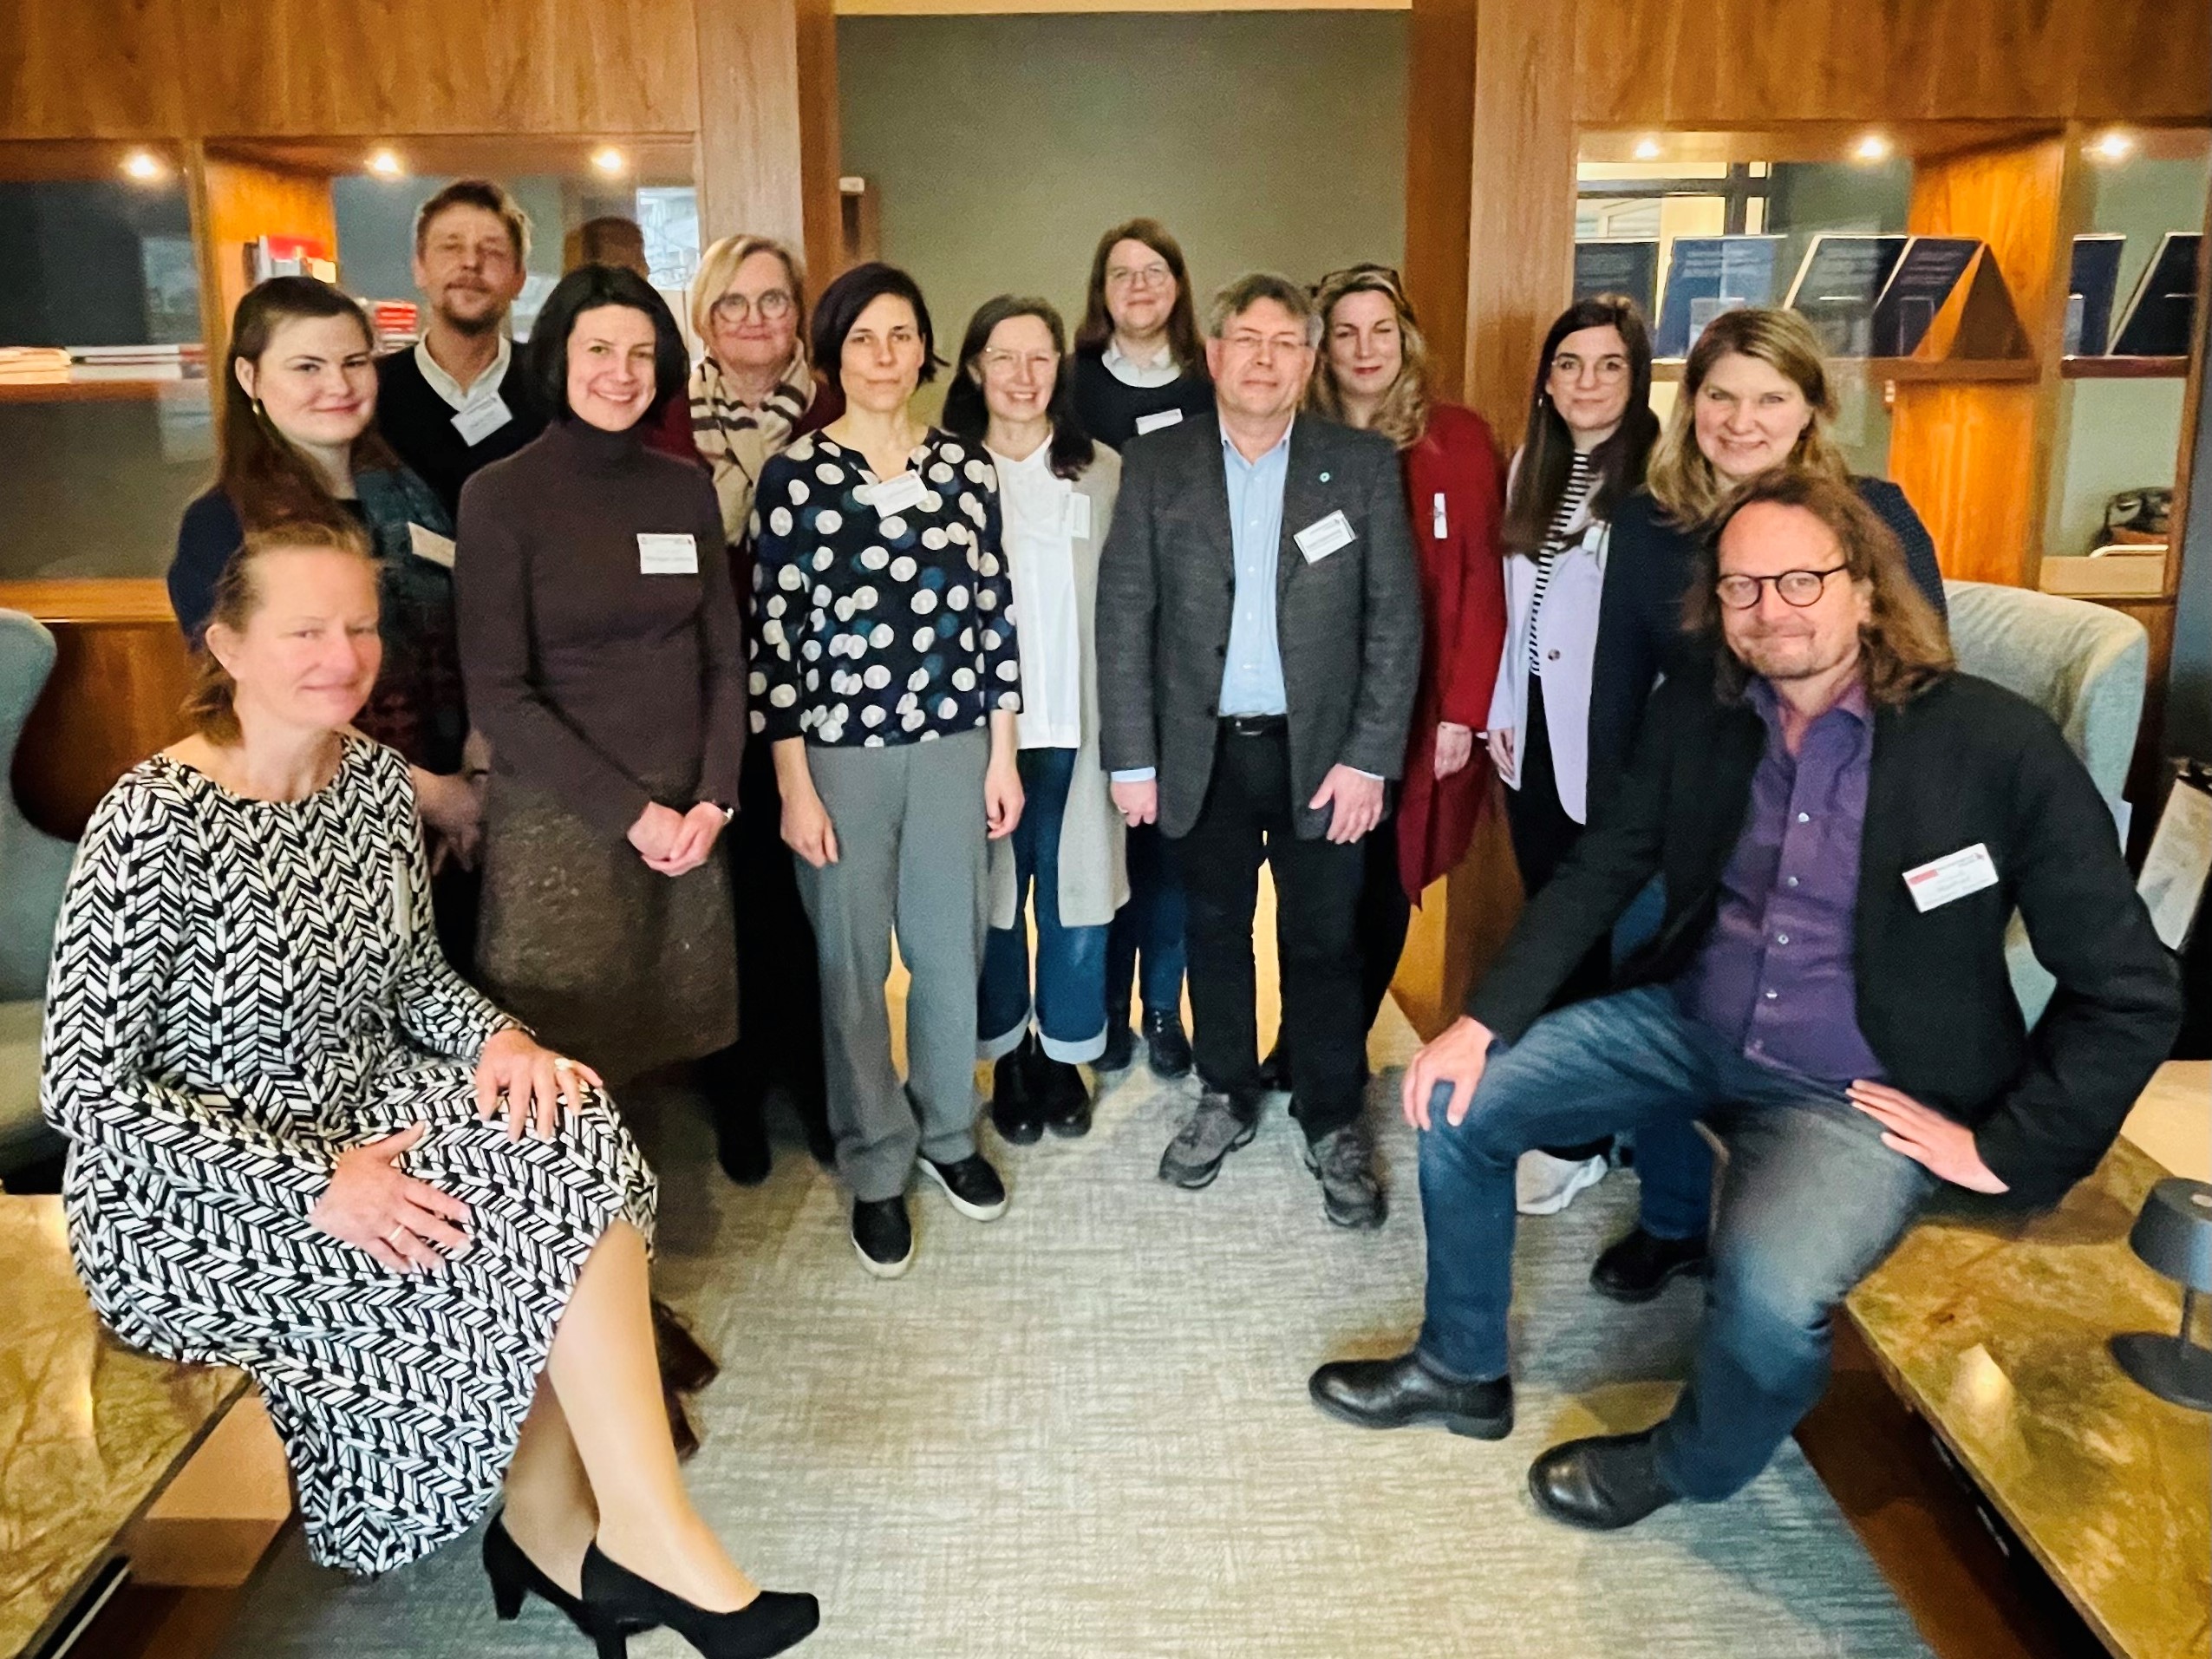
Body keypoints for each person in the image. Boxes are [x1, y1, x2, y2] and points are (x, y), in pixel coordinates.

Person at [1309, 469, 2181, 1531]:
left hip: (1855, 1091)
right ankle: (1460, 1366)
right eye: (1740, 587)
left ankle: (1696, 1462)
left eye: (1800, 579)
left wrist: (2007, 1147)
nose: (1770, 608)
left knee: (1769, 1299)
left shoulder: (1992, 746)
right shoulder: (1704, 714)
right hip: (1688, 1023)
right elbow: (1602, 868)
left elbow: (2131, 989)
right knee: (1454, 1103)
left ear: (1865, 587)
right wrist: (1480, 1024)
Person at [43, 519, 817, 1654]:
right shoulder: (151, 817)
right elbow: (85, 1090)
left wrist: (502, 1042)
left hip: (366, 1104)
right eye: (304, 628)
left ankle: (610, 1527)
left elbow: (412, 979)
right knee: (488, 1238)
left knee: (573, 1130)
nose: (341, 653)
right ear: (228, 643)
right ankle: (571, 1530)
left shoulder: (366, 781)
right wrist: (313, 1184)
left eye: (358, 625)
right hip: (193, 1193)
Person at [1589, 304, 1955, 1304]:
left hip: (1831, 832)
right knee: (1652, 988)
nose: (1740, 420)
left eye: (1768, 398)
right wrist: (1610, 841)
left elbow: (1925, 688)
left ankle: (1780, 1215)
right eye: (1719, 396)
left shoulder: (1874, 515)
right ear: (1690, 403)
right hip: (1685, 834)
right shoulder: (1649, 523)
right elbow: (1615, 692)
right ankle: (1670, 1215)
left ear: (1808, 411)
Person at [1097, 272, 1421, 1230]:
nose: (1265, 357)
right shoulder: (1159, 465)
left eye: (1287, 342)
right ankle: (1225, 1090)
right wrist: (1131, 757)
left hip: (1323, 752)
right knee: (1214, 928)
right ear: (1215, 352)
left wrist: (1370, 758)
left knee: (1324, 938)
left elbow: (1393, 619)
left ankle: (1330, 1113)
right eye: (1248, 338)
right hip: (1204, 749)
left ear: (1309, 361)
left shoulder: (1357, 463)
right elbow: (1126, 615)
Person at [747, 262, 1024, 1279]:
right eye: (862, 337)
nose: (883, 355)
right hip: (835, 755)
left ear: (924, 350)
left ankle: (950, 1133)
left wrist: (1002, 753)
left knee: (950, 952)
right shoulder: (796, 475)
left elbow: (995, 618)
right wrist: (792, 784)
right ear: (832, 354)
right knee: (852, 967)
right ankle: (875, 1164)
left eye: (901, 335)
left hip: (956, 746)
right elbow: (772, 639)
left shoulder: (965, 466)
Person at [455, 265, 746, 1106]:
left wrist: (715, 797)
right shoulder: (500, 496)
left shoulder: (685, 487)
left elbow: (725, 657)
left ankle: (639, 1197)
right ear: (558, 356)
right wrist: (633, 814)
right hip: (562, 815)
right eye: (599, 349)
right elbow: (499, 693)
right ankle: (586, 1225)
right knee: (565, 1049)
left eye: (641, 352)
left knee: (665, 1020)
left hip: (686, 809)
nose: (621, 371)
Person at [167, 275, 481, 964]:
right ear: (249, 376)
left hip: (452, 819)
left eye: (353, 361)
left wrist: (472, 780)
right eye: (306, 366)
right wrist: (428, 796)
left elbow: (474, 637)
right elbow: (252, 701)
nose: (336, 384)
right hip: (313, 825)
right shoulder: (222, 524)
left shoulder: (414, 492)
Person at [1290, 262, 1504, 1073]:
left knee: (1384, 877)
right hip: (1316, 705)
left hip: (1417, 706)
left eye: (1380, 329)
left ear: (1405, 338)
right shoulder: (1295, 441)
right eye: (1345, 332)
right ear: (1322, 348)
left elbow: (1483, 577)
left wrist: (1461, 711)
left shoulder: (1457, 438)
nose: (1364, 347)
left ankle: (1336, 1043)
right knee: (1318, 883)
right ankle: (1307, 1037)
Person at [1481, 295, 1662, 1218]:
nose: (1586, 382)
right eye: (1568, 365)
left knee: (1605, 931)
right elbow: (1524, 613)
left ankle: (1584, 1135)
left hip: (1618, 742)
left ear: (1636, 379)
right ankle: (1584, 1107)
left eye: (1608, 365)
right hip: (1538, 732)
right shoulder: (1533, 468)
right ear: (1544, 384)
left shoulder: (1659, 483)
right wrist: (1502, 708)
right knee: (1558, 915)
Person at [943, 296, 1128, 1145]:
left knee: (1076, 905)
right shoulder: (942, 472)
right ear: (974, 367)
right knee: (991, 904)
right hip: (982, 742)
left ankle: (1063, 1052)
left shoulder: (1103, 472)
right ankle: (1010, 1052)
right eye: (1003, 356)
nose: (1022, 376)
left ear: (1061, 367)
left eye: (1040, 357)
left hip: (1079, 731)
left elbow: (1131, 611)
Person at [683, 234, 834, 1185]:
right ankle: (734, 1090)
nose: (752, 320)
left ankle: (819, 1083)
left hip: (817, 707)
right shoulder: (660, 424)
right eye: (732, 302)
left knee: (813, 907)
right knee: (725, 908)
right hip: (698, 702)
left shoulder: (830, 414)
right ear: (704, 314)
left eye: (772, 301)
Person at [1071, 218, 1214, 1080]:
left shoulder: (1208, 381)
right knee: (1103, 836)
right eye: (1119, 272)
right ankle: (1106, 1010)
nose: (1137, 286)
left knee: (1171, 844)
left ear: (1177, 283)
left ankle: (1163, 1007)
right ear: (1101, 289)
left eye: (1152, 270)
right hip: (1095, 630)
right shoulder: (1071, 384)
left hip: (1191, 640)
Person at [375, 180, 550, 519]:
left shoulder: (554, 384)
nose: (471, 262)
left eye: (493, 251)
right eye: (451, 247)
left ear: (519, 280)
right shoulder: (371, 391)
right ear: (419, 270)